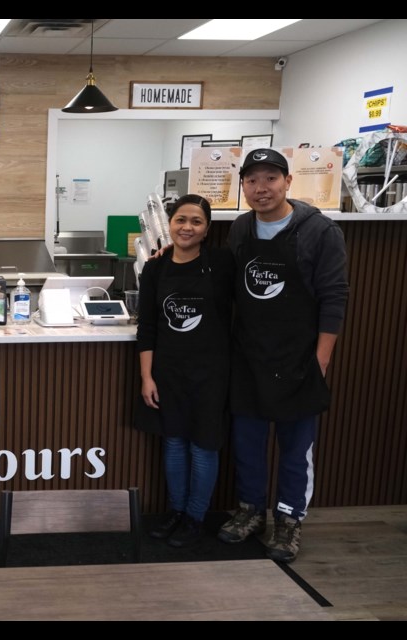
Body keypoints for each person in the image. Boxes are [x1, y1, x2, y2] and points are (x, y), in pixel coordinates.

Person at [217, 148, 348, 564]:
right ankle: (252, 510)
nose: (261, 189)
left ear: (288, 182)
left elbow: (334, 299)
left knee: (296, 447)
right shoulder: (240, 229)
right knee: (248, 442)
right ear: (244, 186)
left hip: (298, 359)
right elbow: (227, 287)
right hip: (250, 356)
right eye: (252, 180)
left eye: (270, 178)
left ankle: (290, 520)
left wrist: (320, 361)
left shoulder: (319, 231)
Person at [135, 194, 235, 547]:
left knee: (203, 447)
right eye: (181, 220)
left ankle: (195, 516)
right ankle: (176, 510)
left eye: (196, 221)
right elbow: (146, 326)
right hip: (168, 371)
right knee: (174, 444)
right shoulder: (155, 267)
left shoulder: (223, 264)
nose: (187, 227)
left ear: (207, 229)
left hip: (212, 373)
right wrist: (147, 377)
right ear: (169, 224)